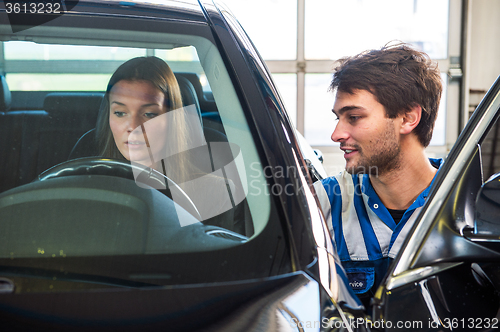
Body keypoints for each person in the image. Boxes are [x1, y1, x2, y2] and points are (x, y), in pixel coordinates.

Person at [313, 43, 444, 306]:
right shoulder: (323, 203)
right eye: (338, 118)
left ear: (408, 118)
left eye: (354, 117)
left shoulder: (461, 206)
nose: (336, 134)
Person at [95, 56, 248, 234]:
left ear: (172, 119)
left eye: (149, 114)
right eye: (120, 113)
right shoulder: (87, 188)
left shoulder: (216, 194)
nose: (133, 127)